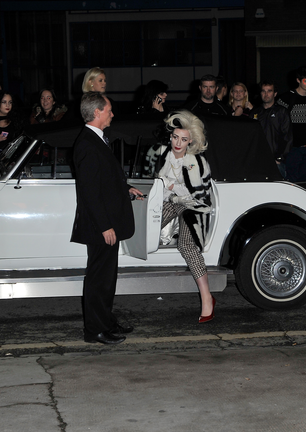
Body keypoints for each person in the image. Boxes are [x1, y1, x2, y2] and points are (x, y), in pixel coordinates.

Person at [70, 91, 144, 345]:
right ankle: (95, 330)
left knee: (106, 278)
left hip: (105, 224)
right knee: (98, 280)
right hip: (100, 227)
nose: (113, 113)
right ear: (97, 112)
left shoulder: (96, 140)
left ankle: (106, 322)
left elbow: (104, 181)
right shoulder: (88, 144)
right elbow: (90, 193)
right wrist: (105, 226)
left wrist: (125, 189)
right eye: (109, 109)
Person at [154, 110, 216, 322]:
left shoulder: (196, 162)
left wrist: (170, 187)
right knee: (145, 228)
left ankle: (207, 297)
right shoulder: (163, 155)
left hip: (193, 207)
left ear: (191, 141)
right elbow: (157, 189)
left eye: (183, 139)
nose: (178, 143)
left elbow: (197, 196)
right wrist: (169, 190)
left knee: (186, 246)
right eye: (175, 137)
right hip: (170, 202)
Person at [276, 66, 306, 182]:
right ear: (298, 80)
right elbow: (277, 123)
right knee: (292, 182)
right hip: (291, 149)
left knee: (305, 182)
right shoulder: (286, 98)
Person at [250, 81, 293, 179]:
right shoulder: (255, 113)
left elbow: (288, 137)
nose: (266, 94)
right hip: (257, 161)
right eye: (263, 91)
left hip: (276, 162)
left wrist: (279, 158)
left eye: (269, 91)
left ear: (275, 93)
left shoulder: (282, 112)